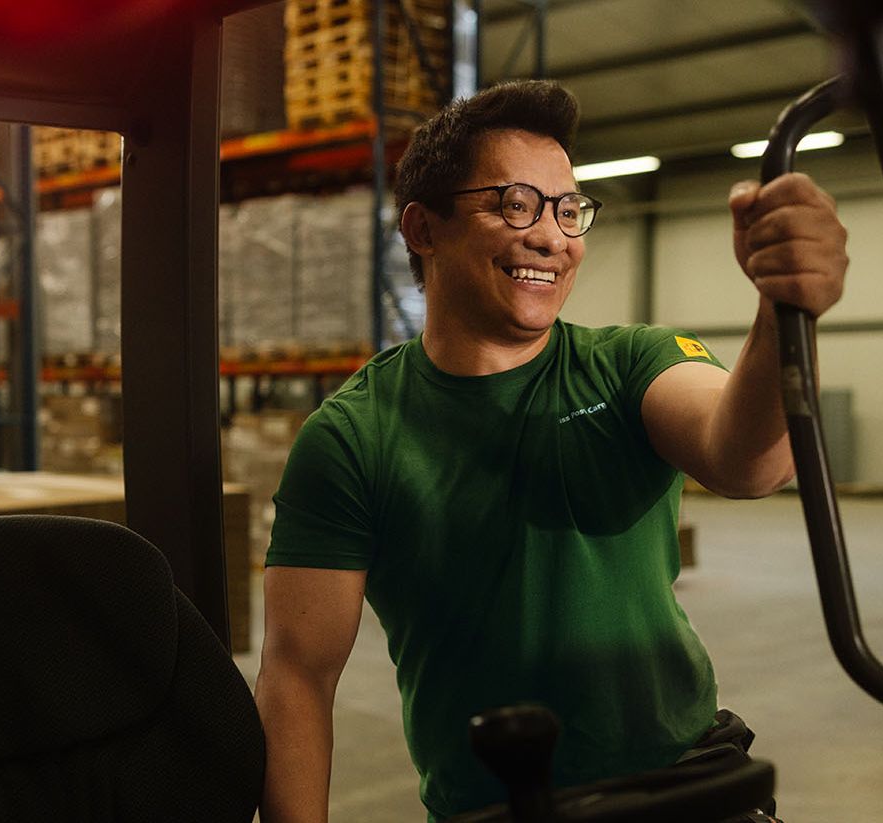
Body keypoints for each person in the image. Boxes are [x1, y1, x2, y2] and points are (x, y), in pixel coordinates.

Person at [253, 79, 848, 822]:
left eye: (569, 210)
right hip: (498, 810)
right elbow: (298, 677)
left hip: (688, 787)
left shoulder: (633, 363)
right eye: (515, 204)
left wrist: (783, 305)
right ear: (422, 228)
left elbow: (750, 460)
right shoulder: (352, 437)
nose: (553, 237)